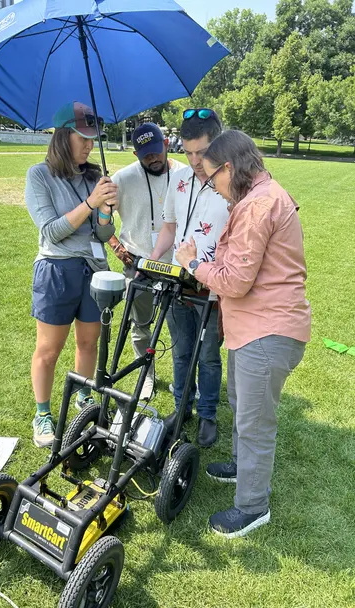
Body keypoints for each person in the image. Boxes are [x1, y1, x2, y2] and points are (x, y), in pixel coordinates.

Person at [176, 130, 311, 538]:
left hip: (267, 332)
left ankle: (252, 507)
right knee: (241, 402)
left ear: (230, 168)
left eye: (213, 175)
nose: (213, 186)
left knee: (255, 423)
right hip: (254, 330)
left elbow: (234, 281)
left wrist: (193, 262)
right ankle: (241, 467)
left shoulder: (258, 205)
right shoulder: (257, 198)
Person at [25, 101, 117, 448]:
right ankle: (43, 413)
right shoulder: (39, 175)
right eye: (84, 139)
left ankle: (82, 397)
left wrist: (106, 213)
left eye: (93, 139)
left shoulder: (93, 176)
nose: (90, 146)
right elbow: (51, 231)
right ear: (63, 137)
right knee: (48, 350)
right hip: (57, 270)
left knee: (88, 343)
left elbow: (103, 236)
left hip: (93, 271)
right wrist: (92, 203)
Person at [151, 109, 229, 448]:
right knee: (182, 350)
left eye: (202, 152)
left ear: (218, 144)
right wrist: (153, 261)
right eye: (188, 151)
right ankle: (182, 407)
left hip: (212, 285)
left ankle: (207, 413)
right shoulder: (178, 179)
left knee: (209, 354)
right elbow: (169, 226)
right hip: (176, 281)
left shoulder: (231, 182)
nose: (195, 160)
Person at [109, 123, 186, 400]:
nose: (153, 159)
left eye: (156, 152)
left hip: (178, 266)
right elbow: (100, 218)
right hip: (138, 263)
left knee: (183, 328)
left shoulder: (183, 174)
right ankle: (146, 376)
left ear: (166, 144)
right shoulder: (122, 178)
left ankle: (184, 379)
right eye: (145, 156)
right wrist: (116, 246)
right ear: (135, 154)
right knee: (140, 327)